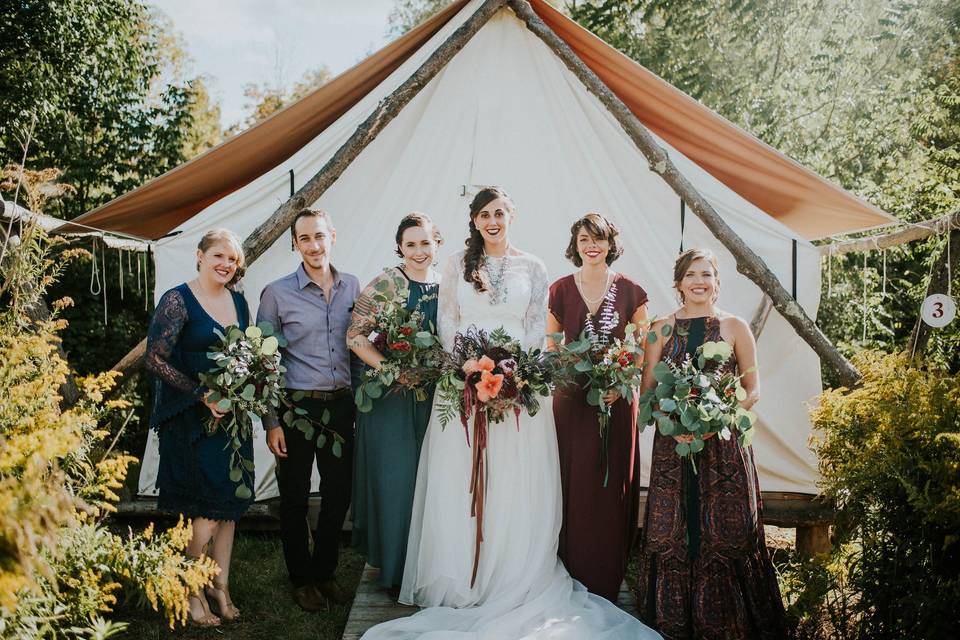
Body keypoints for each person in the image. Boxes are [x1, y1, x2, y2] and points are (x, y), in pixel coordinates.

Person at [362, 188, 662, 639]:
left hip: (518, 388)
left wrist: (514, 376)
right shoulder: (456, 263)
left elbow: (533, 329)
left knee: (514, 482)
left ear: (511, 216)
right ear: (475, 220)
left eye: (499, 212)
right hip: (463, 383)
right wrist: (467, 368)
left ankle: (513, 573)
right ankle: (464, 576)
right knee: (461, 479)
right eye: (484, 214)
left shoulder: (534, 267)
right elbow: (448, 321)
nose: (492, 220)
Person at [635, 248, 789, 640]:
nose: (699, 281)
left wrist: (714, 419)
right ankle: (673, 623)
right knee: (674, 532)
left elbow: (753, 389)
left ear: (717, 282)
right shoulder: (660, 329)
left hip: (723, 447)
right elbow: (648, 392)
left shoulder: (735, 326)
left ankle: (731, 625)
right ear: (678, 282)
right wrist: (674, 424)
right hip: (675, 445)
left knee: (727, 533)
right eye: (691, 274)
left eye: (707, 274)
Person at [146, 228, 252, 626]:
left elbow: (249, 358)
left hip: (233, 420)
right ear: (200, 256)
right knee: (205, 510)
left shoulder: (240, 303)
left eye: (232, 260)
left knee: (229, 509)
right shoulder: (177, 300)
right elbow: (155, 359)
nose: (226, 264)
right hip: (191, 420)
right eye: (219, 256)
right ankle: (189, 588)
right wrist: (201, 393)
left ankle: (219, 586)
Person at [257, 209, 360, 611]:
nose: (314, 245)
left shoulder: (352, 286)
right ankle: (301, 579)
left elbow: (357, 348)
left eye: (320, 236)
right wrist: (271, 422)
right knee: (295, 497)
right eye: (305, 239)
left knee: (338, 496)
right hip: (295, 409)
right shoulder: (277, 293)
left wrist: (358, 405)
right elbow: (263, 363)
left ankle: (325, 572)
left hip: (341, 407)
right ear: (295, 244)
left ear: (332, 236)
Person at [546, 213, 648, 601]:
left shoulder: (631, 291)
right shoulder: (558, 290)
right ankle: (570, 561)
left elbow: (642, 347)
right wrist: (567, 375)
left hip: (616, 399)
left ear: (610, 244)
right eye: (584, 238)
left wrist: (622, 387)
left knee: (610, 481)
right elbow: (552, 344)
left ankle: (607, 566)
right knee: (574, 477)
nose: (592, 245)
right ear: (575, 244)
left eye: (599, 239)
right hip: (572, 401)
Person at [347, 213, 442, 597]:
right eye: (411, 244)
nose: (418, 251)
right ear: (400, 247)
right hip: (391, 399)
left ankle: (429, 563)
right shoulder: (388, 282)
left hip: (434, 396)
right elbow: (355, 336)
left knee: (430, 481)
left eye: (425, 243)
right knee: (398, 482)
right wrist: (391, 369)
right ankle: (396, 570)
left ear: (437, 243)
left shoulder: (446, 283)